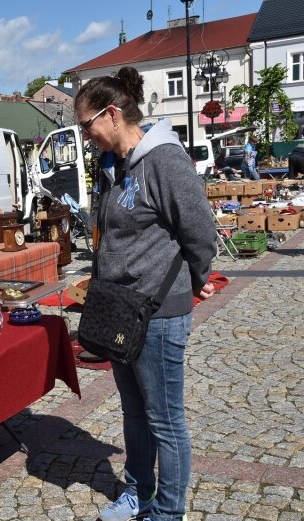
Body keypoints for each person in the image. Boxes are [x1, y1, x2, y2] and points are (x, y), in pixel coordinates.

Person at [74, 66, 216, 521]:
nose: (84, 135)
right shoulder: (112, 167)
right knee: (135, 414)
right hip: (119, 311)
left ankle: (168, 512)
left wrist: (188, 284)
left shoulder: (165, 161)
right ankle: (139, 491)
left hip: (156, 312)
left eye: (86, 124)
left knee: (165, 420)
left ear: (112, 114)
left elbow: (200, 234)